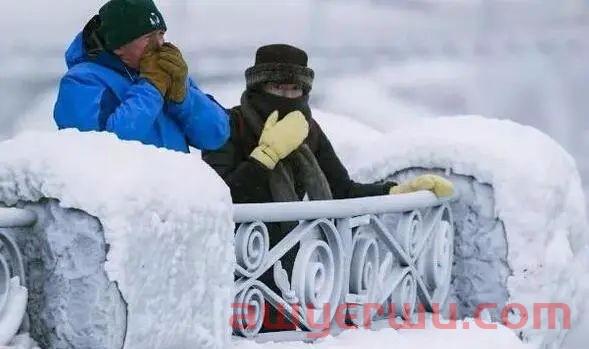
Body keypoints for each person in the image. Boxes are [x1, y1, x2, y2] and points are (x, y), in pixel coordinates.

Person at [202, 44, 454, 205]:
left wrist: (398, 192)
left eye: (295, 89)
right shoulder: (229, 125)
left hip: (296, 267)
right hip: (237, 265)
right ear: (258, 88)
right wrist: (266, 156)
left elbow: (342, 191)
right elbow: (219, 199)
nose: (287, 97)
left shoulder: (308, 131)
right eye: (277, 88)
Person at [53, 0, 229, 153]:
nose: (159, 44)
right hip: (128, 191)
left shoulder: (165, 73)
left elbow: (216, 136)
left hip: (175, 190)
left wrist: (183, 98)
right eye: (148, 37)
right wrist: (151, 87)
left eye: (161, 34)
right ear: (119, 45)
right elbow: (101, 151)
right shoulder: (82, 81)